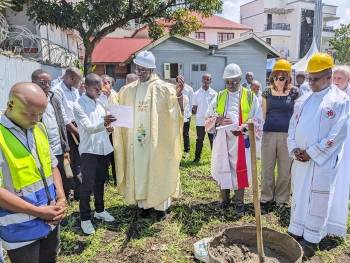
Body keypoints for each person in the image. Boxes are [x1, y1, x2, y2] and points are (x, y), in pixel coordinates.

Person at [287, 53, 350, 258]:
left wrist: (312, 153)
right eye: (309, 78)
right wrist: (295, 147)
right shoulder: (303, 99)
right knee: (299, 195)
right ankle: (296, 230)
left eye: (316, 78)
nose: (311, 82)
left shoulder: (340, 100)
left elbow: (338, 133)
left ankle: (312, 239)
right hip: (301, 160)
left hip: (322, 161)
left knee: (318, 199)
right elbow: (293, 125)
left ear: (329, 77)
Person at [112, 50, 186, 222]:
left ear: (151, 69)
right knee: (139, 170)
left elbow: (178, 111)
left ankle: (161, 207)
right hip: (136, 142)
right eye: (138, 68)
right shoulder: (128, 90)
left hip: (157, 141)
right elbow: (118, 111)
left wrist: (180, 94)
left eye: (144, 69)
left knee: (158, 167)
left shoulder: (164, 88)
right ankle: (143, 206)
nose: (140, 72)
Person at [0, 82, 67, 263]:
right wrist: (37, 211)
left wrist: (61, 198)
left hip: (49, 221)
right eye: (30, 114)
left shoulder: (38, 129)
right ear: (11, 104)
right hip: (21, 229)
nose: (36, 119)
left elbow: (52, 166)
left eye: (40, 114)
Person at [205, 63, 263, 213]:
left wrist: (244, 127)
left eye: (234, 82)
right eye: (228, 82)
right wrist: (218, 121)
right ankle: (224, 199)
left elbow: (258, 118)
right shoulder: (220, 96)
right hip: (223, 140)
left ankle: (239, 201)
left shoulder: (250, 96)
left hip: (240, 140)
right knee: (222, 167)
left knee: (240, 169)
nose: (231, 85)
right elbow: (208, 115)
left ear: (240, 79)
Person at [73, 74, 116, 235]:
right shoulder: (79, 105)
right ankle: (85, 218)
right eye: (95, 89)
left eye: (100, 89)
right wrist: (104, 123)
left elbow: (103, 126)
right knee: (87, 187)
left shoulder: (100, 104)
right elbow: (89, 128)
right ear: (86, 87)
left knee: (100, 182)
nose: (99, 92)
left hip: (103, 149)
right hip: (89, 151)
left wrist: (109, 127)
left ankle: (100, 210)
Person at [32, 69, 71, 226]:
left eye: (49, 82)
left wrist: (66, 148)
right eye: (43, 82)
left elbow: (61, 124)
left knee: (64, 182)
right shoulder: (32, 102)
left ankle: (62, 211)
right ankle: (49, 213)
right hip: (42, 152)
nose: (47, 85)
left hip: (59, 148)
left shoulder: (54, 100)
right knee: (48, 184)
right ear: (33, 82)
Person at [260, 60, 300, 208]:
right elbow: (263, 114)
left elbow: (298, 115)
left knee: (284, 170)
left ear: (288, 78)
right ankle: (266, 196)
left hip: (287, 136)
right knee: (267, 168)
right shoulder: (266, 92)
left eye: (282, 78)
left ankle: (281, 198)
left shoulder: (295, 92)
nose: (278, 81)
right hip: (269, 133)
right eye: (275, 77)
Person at [51, 67, 83, 202]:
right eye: (78, 81)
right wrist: (77, 133)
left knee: (79, 162)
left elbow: (78, 109)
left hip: (77, 127)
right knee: (68, 162)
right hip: (67, 131)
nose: (80, 84)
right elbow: (63, 118)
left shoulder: (74, 91)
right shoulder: (57, 91)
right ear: (71, 78)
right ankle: (66, 193)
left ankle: (78, 192)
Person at [328, 65, 350, 241]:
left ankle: (336, 223)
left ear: (348, 81)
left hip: (346, 147)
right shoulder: (329, 96)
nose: (336, 82)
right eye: (334, 78)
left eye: (339, 79)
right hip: (328, 147)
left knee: (341, 182)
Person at [192, 73, 217, 163]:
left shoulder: (214, 94)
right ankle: (197, 158)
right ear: (202, 80)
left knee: (212, 139)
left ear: (210, 81)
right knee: (199, 139)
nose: (206, 81)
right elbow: (195, 107)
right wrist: (200, 114)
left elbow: (216, 107)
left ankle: (215, 159)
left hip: (210, 120)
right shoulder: (196, 93)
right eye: (204, 79)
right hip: (200, 120)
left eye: (208, 79)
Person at [181, 78, 194, 157]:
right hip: (177, 115)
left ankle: (187, 150)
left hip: (187, 114)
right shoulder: (174, 88)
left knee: (185, 133)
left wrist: (189, 112)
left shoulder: (189, 89)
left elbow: (191, 101)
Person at [250, 80, 262, 159]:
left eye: (257, 89)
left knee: (259, 139)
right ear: (250, 87)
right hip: (250, 120)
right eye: (253, 89)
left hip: (260, 121)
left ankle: (259, 155)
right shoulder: (247, 96)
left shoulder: (262, 96)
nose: (255, 91)